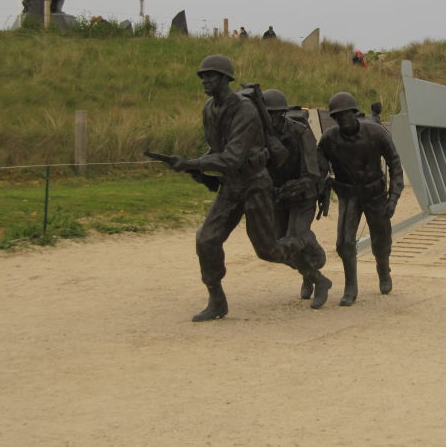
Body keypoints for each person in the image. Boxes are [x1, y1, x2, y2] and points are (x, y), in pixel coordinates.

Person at [172, 54, 332, 321]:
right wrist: (196, 168)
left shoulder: (245, 110)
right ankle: (217, 301)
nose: (204, 80)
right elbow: (216, 147)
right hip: (231, 184)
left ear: (225, 79)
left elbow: (233, 157)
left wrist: (194, 163)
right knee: (206, 239)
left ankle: (313, 269)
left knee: (267, 250)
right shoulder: (208, 109)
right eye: (202, 76)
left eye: (209, 75)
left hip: (255, 184)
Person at [318, 92, 404, 306]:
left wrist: (393, 199)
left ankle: (383, 270)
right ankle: (351, 286)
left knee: (381, 241)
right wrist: (323, 180)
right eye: (338, 116)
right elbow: (317, 165)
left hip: (375, 195)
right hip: (349, 194)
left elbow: (395, 165)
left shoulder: (375, 133)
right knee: (344, 243)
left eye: (346, 114)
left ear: (355, 113)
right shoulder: (329, 139)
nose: (343, 119)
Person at [263, 89, 329, 301]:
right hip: (278, 196)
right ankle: (312, 276)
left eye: (274, 114)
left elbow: (311, 173)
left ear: (282, 113)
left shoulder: (300, 132)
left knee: (296, 236)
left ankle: (315, 255)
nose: (271, 119)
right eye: (266, 114)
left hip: (303, 192)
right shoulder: (259, 135)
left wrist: (291, 187)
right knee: (278, 245)